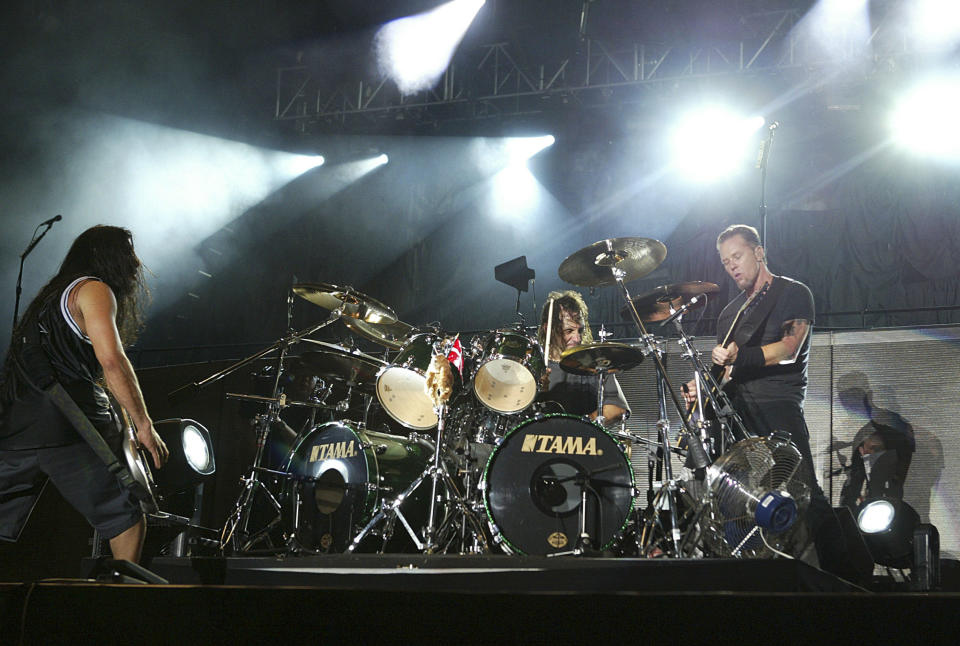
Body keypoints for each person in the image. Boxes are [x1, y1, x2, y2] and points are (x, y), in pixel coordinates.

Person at [0, 225, 168, 564]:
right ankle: (116, 608)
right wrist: (143, 424)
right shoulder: (93, 289)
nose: (135, 262)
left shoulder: (51, 296)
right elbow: (112, 361)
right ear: (108, 255)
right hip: (67, 427)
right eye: (129, 253)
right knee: (127, 518)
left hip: (16, 427)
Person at [683, 224, 844, 570]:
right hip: (738, 413)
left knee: (802, 490)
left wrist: (740, 356)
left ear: (759, 252)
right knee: (744, 500)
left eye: (737, 257)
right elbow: (726, 371)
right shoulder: (730, 313)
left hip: (778, 405)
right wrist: (703, 387)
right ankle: (760, 571)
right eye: (725, 262)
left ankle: (841, 574)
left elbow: (789, 347)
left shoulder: (792, 292)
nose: (732, 267)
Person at [537, 290, 629, 425]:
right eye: (569, 331)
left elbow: (618, 409)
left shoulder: (595, 364)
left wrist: (581, 425)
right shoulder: (534, 367)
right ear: (548, 328)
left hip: (583, 442)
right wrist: (536, 391)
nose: (577, 338)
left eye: (580, 331)